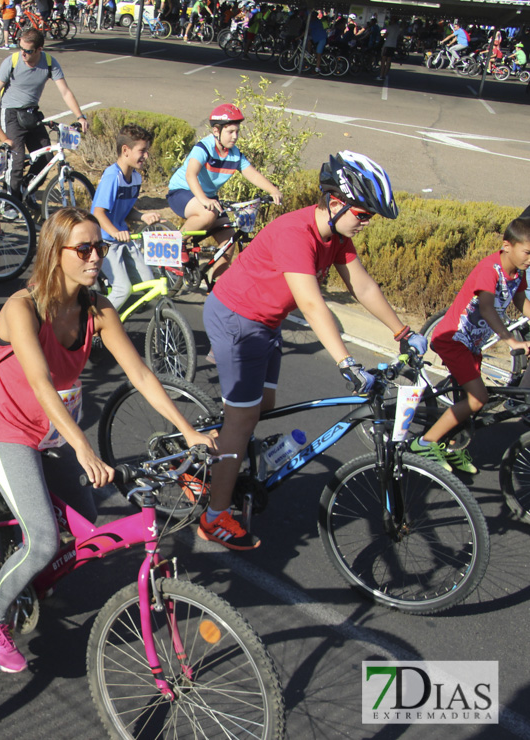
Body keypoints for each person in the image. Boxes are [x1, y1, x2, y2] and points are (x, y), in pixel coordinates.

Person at [0, 207, 216, 672]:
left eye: (99, 246)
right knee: (42, 540)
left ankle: (27, 572)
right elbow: (41, 383)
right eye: (84, 248)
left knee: (88, 518)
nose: (96, 256)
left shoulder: (98, 310)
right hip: (6, 426)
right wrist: (82, 446)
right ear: (55, 253)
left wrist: (189, 430)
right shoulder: (22, 308)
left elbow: (140, 373)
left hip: (52, 428)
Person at [198, 151, 426, 550]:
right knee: (243, 418)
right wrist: (346, 362)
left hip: (265, 321)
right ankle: (214, 516)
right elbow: (311, 303)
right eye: (364, 213)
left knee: (263, 404)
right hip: (236, 318)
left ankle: (209, 458)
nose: (366, 223)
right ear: (335, 202)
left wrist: (403, 331)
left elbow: (364, 286)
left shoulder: (336, 236)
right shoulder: (295, 233)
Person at [411, 218, 530, 475]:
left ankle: (452, 446)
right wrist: (511, 341)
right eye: (528, 252)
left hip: (473, 344)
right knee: (478, 399)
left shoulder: (517, 274)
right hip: (453, 339)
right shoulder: (490, 269)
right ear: (507, 245)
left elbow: (522, 302)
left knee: (468, 401)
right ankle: (424, 443)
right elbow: (487, 308)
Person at [165, 104, 281, 284]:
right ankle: (175, 243)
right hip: (183, 192)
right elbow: (190, 174)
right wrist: (203, 199)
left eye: (237, 132)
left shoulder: (234, 154)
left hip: (208, 198)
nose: (235, 136)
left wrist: (272, 190)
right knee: (207, 214)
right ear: (216, 131)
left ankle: (217, 286)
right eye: (230, 132)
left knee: (229, 241)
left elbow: (251, 173)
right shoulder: (204, 147)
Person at [0, 29, 88, 204]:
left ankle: (26, 186)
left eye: (28, 51)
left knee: (47, 156)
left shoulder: (48, 63)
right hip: (11, 114)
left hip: (31, 113)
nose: (23, 53)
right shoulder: (13, 61)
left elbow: (65, 91)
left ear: (39, 49)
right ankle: (10, 203)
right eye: (20, 48)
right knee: (15, 162)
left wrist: (80, 116)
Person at [91, 124, 166, 311]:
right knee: (122, 289)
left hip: (124, 238)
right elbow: (98, 213)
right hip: (105, 241)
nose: (146, 156)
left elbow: (125, 210)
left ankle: (119, 314)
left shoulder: (136, 178)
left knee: (148, 283)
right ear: (126, 150)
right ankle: (97, 327)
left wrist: (143, 216)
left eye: (147, 151)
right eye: (142, 151)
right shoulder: (112, 177)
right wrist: (115, 233)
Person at [378, 16, 401, 81]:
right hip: (393, 45)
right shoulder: (397, 28)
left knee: (383, 61)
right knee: (388, 61)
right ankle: (385, 74)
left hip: (387, 44)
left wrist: (382, 35)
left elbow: (385, 35)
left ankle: (381, 75)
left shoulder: (390, 27)